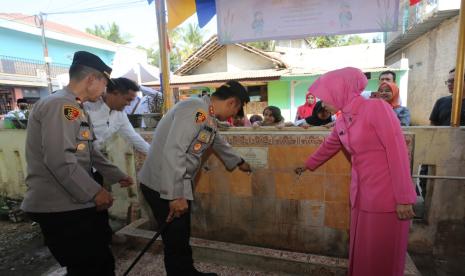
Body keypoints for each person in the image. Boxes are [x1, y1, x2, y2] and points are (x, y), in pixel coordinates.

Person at [21, 51, 134, 276]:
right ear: (91, 80)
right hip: (61, 206)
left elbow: (87, 151)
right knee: (91, 268)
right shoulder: (60, 105)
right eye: (104, 84)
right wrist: (95, 192)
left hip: (73, 202)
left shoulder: (75, 107)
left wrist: (116, 174)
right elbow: (60, 160)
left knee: (98, 263)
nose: (105, 90)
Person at [295, 67, 416, 276]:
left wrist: (404, 197)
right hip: (361, 195)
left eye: (326, 97)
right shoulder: (343, 119)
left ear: (340, 91)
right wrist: (307, 165)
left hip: (388, 197)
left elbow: (397, 150)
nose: (322, 104)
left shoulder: (377, 108)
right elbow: (330, 146)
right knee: (363, 253)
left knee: (381, 256)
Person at [138, 80, 252, 276]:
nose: (233, 116)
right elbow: (175, 151)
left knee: (180, 236)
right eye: (236, 111)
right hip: (163, 186)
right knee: (175, 240)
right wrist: (175, 195)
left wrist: (238, 160)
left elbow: (215, 139)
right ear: (233, 102)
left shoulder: (205, 113)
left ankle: (187, 272)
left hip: (173, 182)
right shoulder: (195, 110)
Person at [85, 77, 150, 154]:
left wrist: (156, 155)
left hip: (96, 158)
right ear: (115, 93)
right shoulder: (86, 107)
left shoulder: (120, 115)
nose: (129, 104)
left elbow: (134, 138)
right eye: (128, 99)